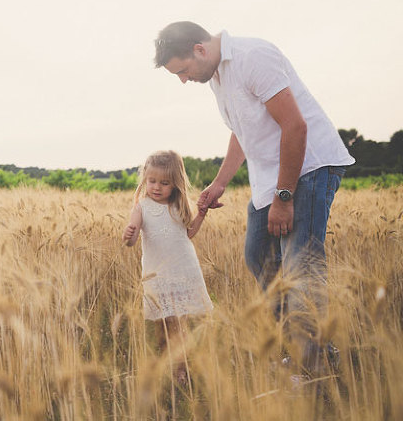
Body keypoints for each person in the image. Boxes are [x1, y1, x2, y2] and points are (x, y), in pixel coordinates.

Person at [153, 21, 354, 377]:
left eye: (183, 71)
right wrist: (219, 182)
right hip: (272, 178)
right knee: (258, 255)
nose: (184, 80)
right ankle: (310, 346)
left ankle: (313, 365)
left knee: (300, 265)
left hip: (307, 167)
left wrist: (284, 196)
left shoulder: (252, 57)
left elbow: (295, 126)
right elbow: (242, 133)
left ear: (200, 49)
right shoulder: (216, 77)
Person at [122, 150, 214, 385]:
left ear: (175, 184)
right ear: (145, 180)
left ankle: (179, 370)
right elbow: (131, 242)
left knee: (178, 325)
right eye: (152, 181)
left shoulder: (178, 206)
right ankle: (172, 365)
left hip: (182, 270)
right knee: (163, 327)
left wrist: (201, 214)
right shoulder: (141, 208)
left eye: (164, 183)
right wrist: (129, 235)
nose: (156, 187)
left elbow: (189, 233)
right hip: (158, 275)